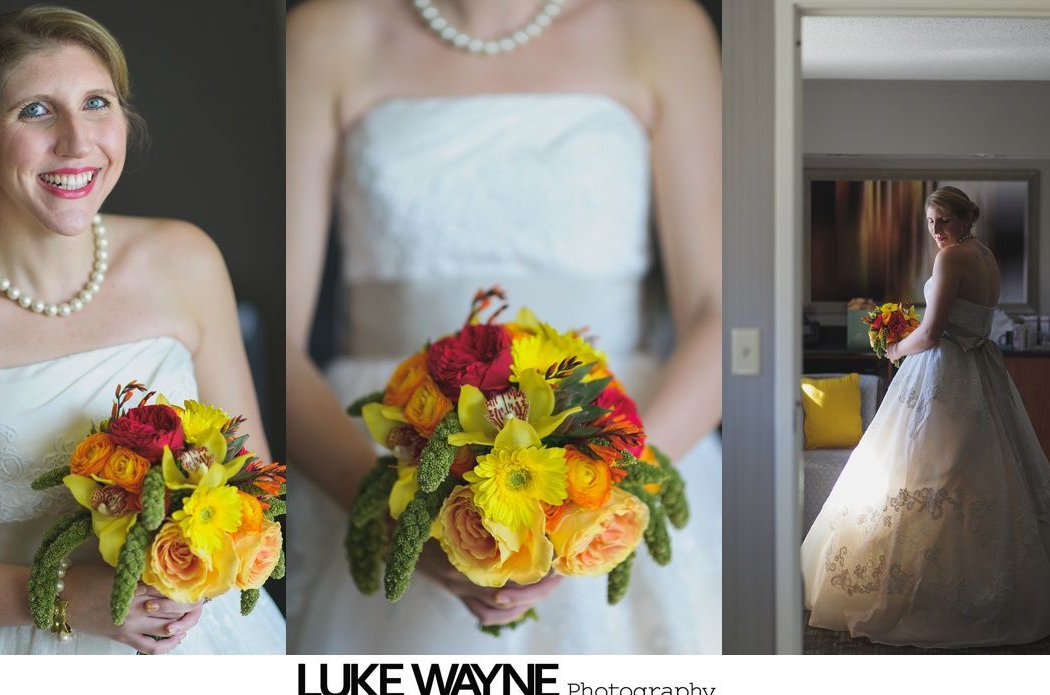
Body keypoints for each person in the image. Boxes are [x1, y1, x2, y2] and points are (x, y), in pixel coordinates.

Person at [284, 0, 722, 653]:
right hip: (387, 446)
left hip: (620, 436)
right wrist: (394, 511)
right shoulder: (326, 31)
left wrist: (597, 496)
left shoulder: (662, 25)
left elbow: (719, 311)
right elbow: (276, 351)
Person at [0, 6, 284, 654]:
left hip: (205, 637)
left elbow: (258, 484)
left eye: (96, 103)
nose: (78, 142)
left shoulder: (187, 260)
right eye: (35, 111)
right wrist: (56, 593)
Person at [801, 186, 1050, 648]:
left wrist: (894, 347)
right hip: (981, 367)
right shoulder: (987, 256)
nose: (937, 231)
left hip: (946, 370)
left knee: (928, 472)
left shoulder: (951, 258)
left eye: (944, 221)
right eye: (930, 223)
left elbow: (934, 332)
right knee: (979, 472)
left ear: (966, 218)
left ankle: (929, 593)